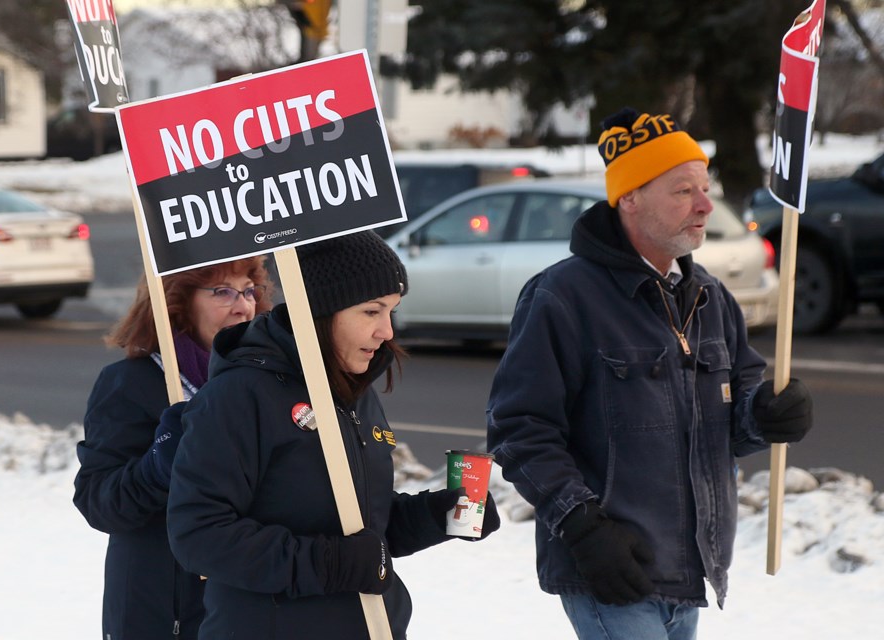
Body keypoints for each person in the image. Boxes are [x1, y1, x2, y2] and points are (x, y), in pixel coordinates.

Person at [486, 108, 813, 640]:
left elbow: (738, 409)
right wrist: (583, 527)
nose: (706, 205)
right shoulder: (563, 298)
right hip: (611, 568)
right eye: (684, 191)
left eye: (706, 188)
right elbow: (519, 430)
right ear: (629, 198)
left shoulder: (711, 297)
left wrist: (768, 412)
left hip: (689, 570)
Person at [165, 230, 500, 639]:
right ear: (320, 312)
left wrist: (436, 517)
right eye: (371, 312)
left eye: (392, 311)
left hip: (370, 625)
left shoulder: (352, 388)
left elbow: (357, 524)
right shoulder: (239, 395)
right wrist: (328, 564)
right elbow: (198, 534)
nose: (387, 332)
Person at [73, 256, 274, 640]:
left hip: (245, 605)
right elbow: (98, 503)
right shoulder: (131, 383)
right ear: (178, 301)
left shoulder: (262, 383)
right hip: (165, 613)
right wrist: (155, 469)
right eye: (222, 291)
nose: (243, 305)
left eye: (249, 291)